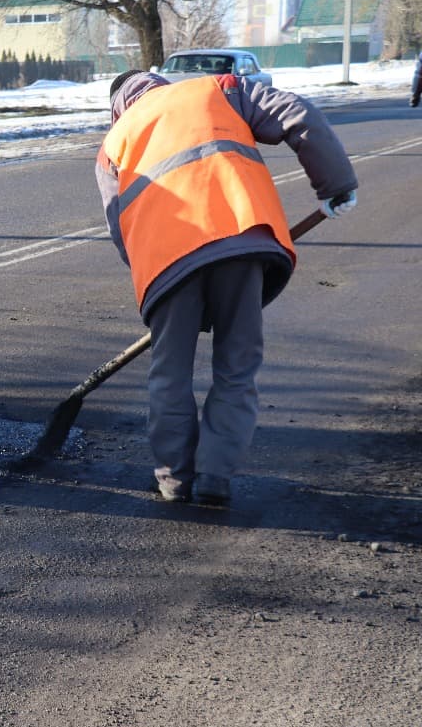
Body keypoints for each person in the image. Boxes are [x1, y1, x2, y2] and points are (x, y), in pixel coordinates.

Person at [96, 70, 358, 505]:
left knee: (170, 374)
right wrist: (336, 183)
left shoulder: (114, 142)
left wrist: (159, 287)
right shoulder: (220, 90)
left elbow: (120, 227)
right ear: (159, 84)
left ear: (118, 106)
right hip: (241, 238)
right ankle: (214, 478)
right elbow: (296, 112)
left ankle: (174, 481)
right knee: (237, 367)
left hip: (167, 262)